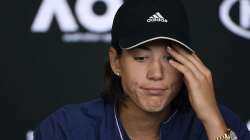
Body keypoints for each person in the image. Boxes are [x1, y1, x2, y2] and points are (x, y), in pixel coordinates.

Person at [34, 0, 250, 140]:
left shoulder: (221, 123)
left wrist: (212, 120)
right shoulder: (65, 129)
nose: (156, 73)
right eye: (141, 57)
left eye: (169, 58)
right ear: (116, 62)